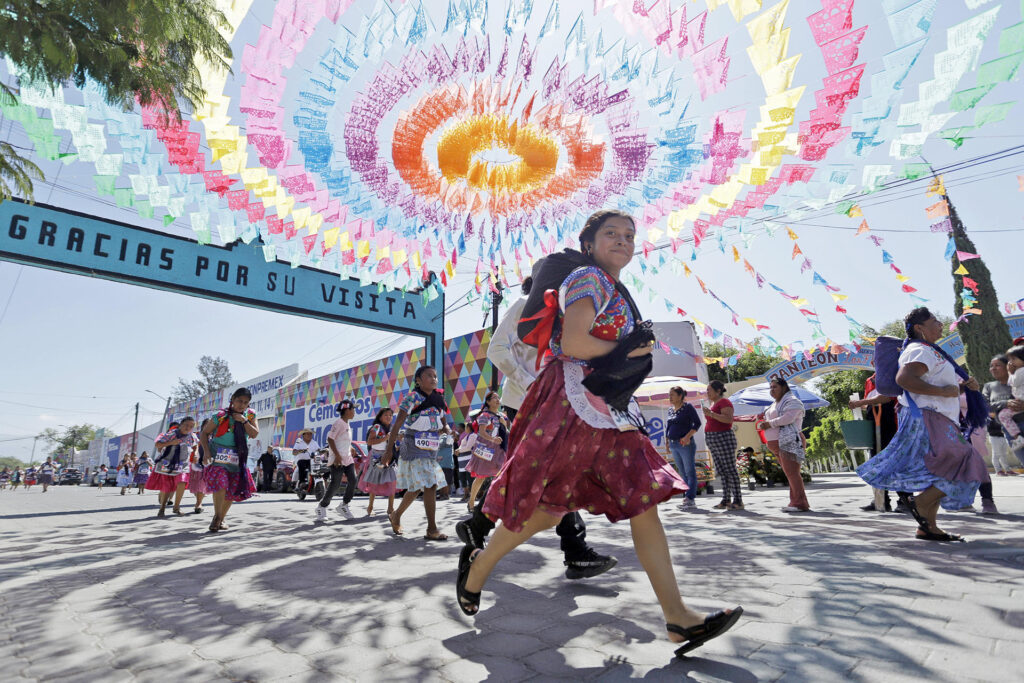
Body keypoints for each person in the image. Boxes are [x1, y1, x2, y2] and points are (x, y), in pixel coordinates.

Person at [460, 209, 741, 657]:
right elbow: (573, 344)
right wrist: (626, 348)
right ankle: (479, 568)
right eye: (612, 233)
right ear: (588, 243)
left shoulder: (612, 288)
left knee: (641, 500)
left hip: (603, 408)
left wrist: (630, 351)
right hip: (569, 403)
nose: (623, 240)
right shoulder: (588, 278)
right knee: (549, 510)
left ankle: (677, 617)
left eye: (629, 235)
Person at [459, 273, 620, 580]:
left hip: (555, 405)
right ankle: (574, 551)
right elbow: (496, 350)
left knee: (557, 471)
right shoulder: (522, 305)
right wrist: (531, 384)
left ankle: (479, 524)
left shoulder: (565, 318)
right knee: (540, 473)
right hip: (524, 402)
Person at [857, 307, 989, 542]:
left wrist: (961, 388)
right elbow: (905, 380)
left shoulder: (929, 351)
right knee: (967, 460)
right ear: (920, 328)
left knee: (939, 469)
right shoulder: (920, 350)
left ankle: (928, 527)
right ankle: (919, 502)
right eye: (935, 321)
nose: (940, 325)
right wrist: (943, 391)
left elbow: (935, 387)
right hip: (930, 417)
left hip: (937, 416)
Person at [383, 365, 450, 541]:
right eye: (429, 375)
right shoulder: (412, 397)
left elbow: (443, 421)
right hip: (413, 444)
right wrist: (388, 450)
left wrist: (447, 430)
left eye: (435, 376)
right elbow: (397, 424)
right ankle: (432, 529)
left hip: (431, 446)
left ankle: (396, 515)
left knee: (417, 487)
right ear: (418, 380)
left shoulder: (439, 398)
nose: (434, 378)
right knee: (430, 484)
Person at [199, 387, 259, 533]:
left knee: (232, 488)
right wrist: (206, 452)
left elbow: (254, 433)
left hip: (237, 456)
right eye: (239, 401)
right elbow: (204, 433)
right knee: (221, 483)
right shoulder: (221, 415)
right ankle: (217, 518)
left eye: (245, 402)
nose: (241, 405)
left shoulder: (250, 415)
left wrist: (244, 421)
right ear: (232, 400)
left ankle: (220, 518)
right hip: (218, 454)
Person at [849, 373, 910, 513]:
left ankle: (905, 499)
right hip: (875, 423)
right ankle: (881, 500)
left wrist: (861, 402)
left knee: (895, 461)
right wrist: (859, 404)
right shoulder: (869, 380)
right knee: (876, 462)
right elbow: (870, 402)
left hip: (891, 424)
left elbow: (886, 398)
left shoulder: (890, 376)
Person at [756, 378, 810, 512]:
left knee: (792, 473)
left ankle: (800, 503)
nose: (772, 390)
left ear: (784, 387)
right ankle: (795, 502)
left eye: (775, 387)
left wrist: (769, 424)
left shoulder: (792, 401)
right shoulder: (775, 403)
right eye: (770, 387)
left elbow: (788, 418)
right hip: (777, 444)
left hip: (789, 441)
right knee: (790, 473)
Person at [465, 392, 509, 511]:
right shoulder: (484, 415)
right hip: (486, 448)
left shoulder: (502, 416)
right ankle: (471, 502)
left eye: (498, 397)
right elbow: (482, 432)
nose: (497, 399)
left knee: (501, 475)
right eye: (494, 398)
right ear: (488, 401)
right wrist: (493, 439)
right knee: (481, 477)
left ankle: (496, 503)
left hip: (499, 450)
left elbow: (506, 433)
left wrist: (504, 425)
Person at [703, 380, 743, 510]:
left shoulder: (724, 402)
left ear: (718, 391)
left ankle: (738, 500)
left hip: (723, 437)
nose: (707, 392)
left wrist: (711, 414)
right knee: (722, 471)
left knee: (730, 470)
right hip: (713, 438)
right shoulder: (714, 403)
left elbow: (728, 419)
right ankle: (726, 499)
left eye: (709, 390)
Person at [318, 400, 359, 522]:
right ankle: (322, 507)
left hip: (347, 458)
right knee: (335, 484)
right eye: (353, 409)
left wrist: (350, 448)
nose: (354, 412)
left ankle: (344, 505)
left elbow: (342, 440)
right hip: (338, 459)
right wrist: (337, 455)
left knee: (353, 480)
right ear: (347, 410)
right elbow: (330, 439)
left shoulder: (346, 424)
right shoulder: (339, 423)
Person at [148, 417, 198, 517]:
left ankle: (176, 507)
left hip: (182, 464)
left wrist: (195, 454)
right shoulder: (172, 434)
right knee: (168, 487)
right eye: (186, 425)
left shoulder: (192, 436)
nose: (188, 428)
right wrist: (171, 442)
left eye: (191, 426)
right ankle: (162, 508)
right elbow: (158, 444)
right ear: (180, 425)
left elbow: (196, 445)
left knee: (182, 482)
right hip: (168, 463)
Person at [983, 355, 1019, 480]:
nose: (993, 368)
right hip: (1009, 434)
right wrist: (1006, 403)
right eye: (991, 366)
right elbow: (985, 407)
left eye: (997, 365)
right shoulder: (989, 386)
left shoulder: (1017, 381)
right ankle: (1001, 469)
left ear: (1007, 366)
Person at [667, 386, 702, 510]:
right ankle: (686, 497)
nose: (669, 397)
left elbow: (697, 423)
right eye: (669, 394)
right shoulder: (670, 410)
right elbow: (668, 426)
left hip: (685, 444)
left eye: (672, 394)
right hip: (673, 444)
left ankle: (690, 498)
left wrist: (687, 436)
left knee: (689, 471)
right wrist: (667, 441)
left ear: (680, 396)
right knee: (682, 472)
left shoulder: (688, 407)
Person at [360, 408, 398, 516]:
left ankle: (390, 508)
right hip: (377, 457)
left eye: (390, 415)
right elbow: (369, 441)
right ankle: (370, 507)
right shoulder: (376, 427)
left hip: (389, 457)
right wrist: (384, 438)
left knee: (393, 481)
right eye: (386, 415)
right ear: (380, 417)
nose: (389, 417)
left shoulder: (392, 427)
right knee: (374, 482)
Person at [995, 346, 1024, 451]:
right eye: (1009, 360)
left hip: (1020, 402)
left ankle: (1018, 438)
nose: (1010, 363)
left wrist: (1010, 372)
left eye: (1014, 359)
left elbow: (1013, 382)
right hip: (1019, 402)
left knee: (1003, 415)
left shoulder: (1021, 371)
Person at [187, 422, 210, 514]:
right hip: (195, 462)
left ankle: (198, 503)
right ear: (202, 426)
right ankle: (199, 500)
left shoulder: (214, 436)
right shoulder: (196, 435)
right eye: (207, 425)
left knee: (202, 484)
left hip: (208, 463)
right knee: (196, 485)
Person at [292, 429, 318, 493]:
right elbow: (294, 452)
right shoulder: (299, 443)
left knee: (318, 468)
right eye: (308, 434)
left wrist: (324, 450)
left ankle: (316, 484)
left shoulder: (314, 443)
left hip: (311, 461)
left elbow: (318, 450)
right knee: (302, 465)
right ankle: (302, 483)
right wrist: (301, 450)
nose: (309, 435)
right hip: (301, 460)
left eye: (310, 434)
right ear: (303, 435)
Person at [455, 423, 475, 501]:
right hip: (462, 460)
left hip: (468, 459)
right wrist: (458, 450)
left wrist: (458, 450)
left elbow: (469, 447)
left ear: (469, 428)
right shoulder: (467, 436)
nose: (465, 428)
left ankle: (471, 495)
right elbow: (461, 446)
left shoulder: (473, 435)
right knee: (462, 477)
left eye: (466, 427)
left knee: (469, 478)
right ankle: (466, 494)